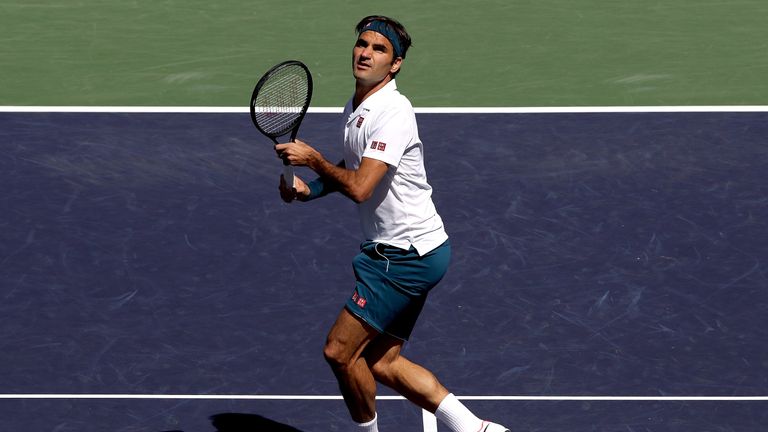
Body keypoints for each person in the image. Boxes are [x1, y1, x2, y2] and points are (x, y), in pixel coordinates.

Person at [275, 15, 510, 432]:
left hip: (403, 255)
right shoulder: (357, 106)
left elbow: (362, 187)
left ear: (395, 64)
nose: (366, 53)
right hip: (422, 250)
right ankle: (475, 428)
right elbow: (354, 165)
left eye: (379, 49)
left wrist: (313, 159)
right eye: (362, 44)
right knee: (382, 361)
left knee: (339, 352)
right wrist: (310, 188)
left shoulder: (393, 112)